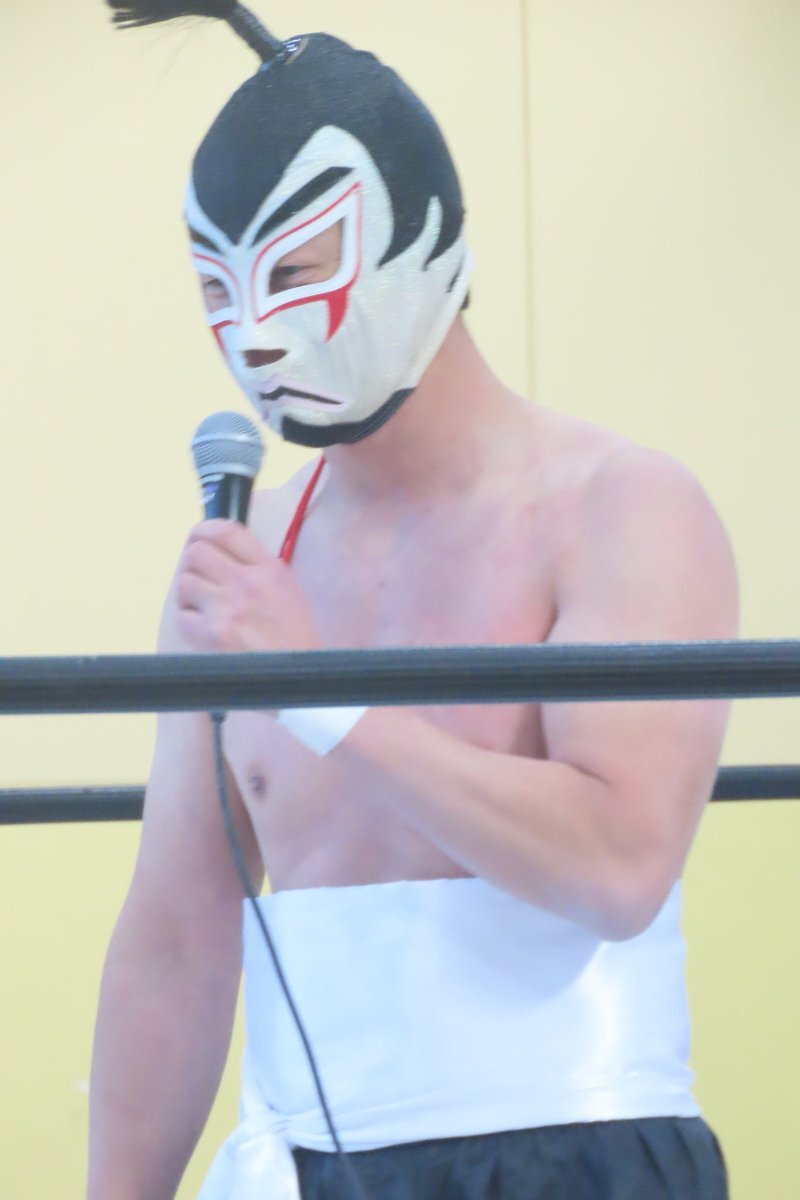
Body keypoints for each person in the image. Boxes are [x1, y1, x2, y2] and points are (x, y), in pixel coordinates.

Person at [89, 4, 738, 1198]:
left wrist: (325, 698)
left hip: (576, 1162)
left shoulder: (620, 507)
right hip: (302, 1164)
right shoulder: (245, 564)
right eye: (219, 290)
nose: (252, 333)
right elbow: (177, 938)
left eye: (293, 273)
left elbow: (617, 867)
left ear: (411, 233)